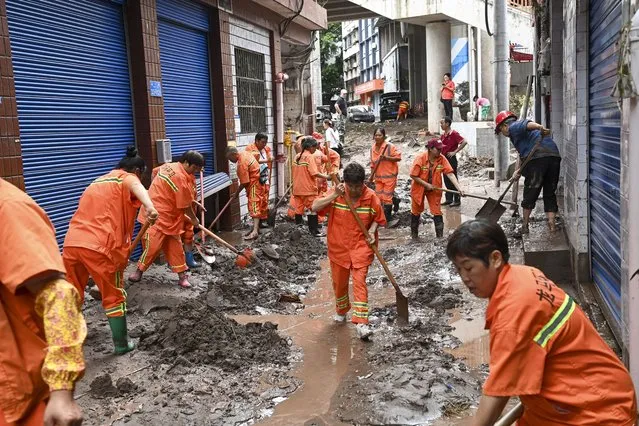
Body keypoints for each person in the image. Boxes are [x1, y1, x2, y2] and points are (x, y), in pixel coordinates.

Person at [446, 219, 637, 425]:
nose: (464, 278)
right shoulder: (526, 274)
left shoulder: (514, 312)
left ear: (495, 259)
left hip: (594, 411)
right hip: (581, 396)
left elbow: (497, 391)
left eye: (468, 268)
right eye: (459, 270)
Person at [0, 177, 86, 426]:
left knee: (113, 294)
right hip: (96, 245)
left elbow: (58, 295)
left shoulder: (8, 208)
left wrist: (61, 390)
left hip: (18, 403)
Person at [64, 147, 159, 354]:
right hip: (101, 247)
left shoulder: (97, 181)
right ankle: (122, 345)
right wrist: (150, 206)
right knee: (114, 296)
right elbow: (136, 186)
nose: (141, 178)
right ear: (137, 170)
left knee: (73, 292)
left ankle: (69, 340)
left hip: (73, 242)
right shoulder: (126, 179)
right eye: (141, 174)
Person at [311, 162, 386, 340]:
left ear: (363, 183)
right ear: (345, 183)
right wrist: (335, 195)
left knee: (360, 282)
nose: (353, 190)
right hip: (339, 247)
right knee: (339, 283)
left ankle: (362, 322)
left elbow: (378, 218)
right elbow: (315, 207)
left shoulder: (371, 196)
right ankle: (341, 309)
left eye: (357, 186)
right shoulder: (337, 192)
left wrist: (372, 231)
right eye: (350, 186)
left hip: (361, 247)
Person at [128, 150, 204, 288]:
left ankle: (182, 276)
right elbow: (186, 206)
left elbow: (154, 172)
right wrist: (194, 220)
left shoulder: (168, 166)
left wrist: (158, 191)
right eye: (194, 168)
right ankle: (139, 271)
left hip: (171, 218)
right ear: (186, 162)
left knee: (175, 248)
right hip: (156, 217)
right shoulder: (180, 177)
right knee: (152, 247)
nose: (195, 172)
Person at [494, 111, 561, 234]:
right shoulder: (522, 137)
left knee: (531, 191)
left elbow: (527, 124)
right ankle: (552, 225)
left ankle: (524, 226)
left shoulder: (513, 127)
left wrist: (539, 127)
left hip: (538, 158)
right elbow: (524, 156)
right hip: (554, 156)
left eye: (501, 131)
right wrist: (518, 171)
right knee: (549, 192)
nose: (503, 134)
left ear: (504, 126)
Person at [409, 138, 464, 239]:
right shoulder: (420, 158)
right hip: (419, 189)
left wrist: (459, 188)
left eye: (441, 149)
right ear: (430, 149)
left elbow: (450, 174)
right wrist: (426, 184)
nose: (440, 151)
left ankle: (440, 238)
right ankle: (414, 236)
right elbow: (413, 175)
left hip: (434, 189)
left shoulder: (441, 159)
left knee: (437, 211)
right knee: (416, 211)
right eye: (438, 149)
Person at [291, 136, 330, 236]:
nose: (316, 149)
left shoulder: (297, 156)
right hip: (308, 188)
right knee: (313, 208)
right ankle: (314, 231)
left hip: (297, 188)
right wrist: (326, 176)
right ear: (310, 147)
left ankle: (298, 231)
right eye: (315, 147)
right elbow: (314, 173)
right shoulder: (310, 157)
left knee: (298, 209)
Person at [225, 146, 265, 240]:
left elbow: (244, 182)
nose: (230, 161)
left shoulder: (241, 163)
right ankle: (256, 229)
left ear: (233, 154)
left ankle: (255, 231)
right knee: (256, 205)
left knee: (254, 206)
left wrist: (236, 193)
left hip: (254, 184)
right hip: (257, 183)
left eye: (230, 158)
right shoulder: (245, 154)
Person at [370, 127, 401, 224]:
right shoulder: (372, 149)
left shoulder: (389, 147)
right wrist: (371, 177)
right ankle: (394, 200)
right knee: (378, 198)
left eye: (380, 135)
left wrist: (386, 158)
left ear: (384, 136)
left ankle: (387, 219)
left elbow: (398, 157)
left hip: (389, 176)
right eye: (376, 135)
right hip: (378, 178)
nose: (377, 137)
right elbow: (372, 164)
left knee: (386, 198)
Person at [245, 133, 273, 229]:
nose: (264, 144)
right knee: (256, 201)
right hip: (255, 179)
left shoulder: (266, 149)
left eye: (265, 142)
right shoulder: (250, 149)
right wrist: (267, 161)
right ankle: (256, 224)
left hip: (264, 177)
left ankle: (263, 219)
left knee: (264, 199)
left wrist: (270, 158)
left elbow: (270, 158)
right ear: (256, 141)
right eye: (262, 142)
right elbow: (251, 162)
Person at [440, 116, 468, 207]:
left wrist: (455, 151)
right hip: (444, 158)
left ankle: (457, 199)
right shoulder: (443, 135)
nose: (441, 125)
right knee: (446, 179)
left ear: (447, 124)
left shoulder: (454, 134)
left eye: (442, 123)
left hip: (451, 158)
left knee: (453, 178)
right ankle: (449, 198)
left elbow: (464, 141)